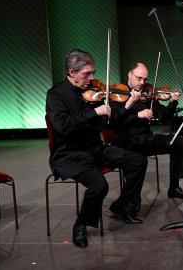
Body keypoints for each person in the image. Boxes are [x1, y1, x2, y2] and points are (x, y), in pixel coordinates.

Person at [46, 49, 148, 248]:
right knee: (99, 185)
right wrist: (93, 113)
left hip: (94, 149)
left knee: (138, 161)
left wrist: (123, 107)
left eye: (92, 73)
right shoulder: (56, 95)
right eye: (87, 74)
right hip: (70, 154)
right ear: (71, 72)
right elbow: (63, 126)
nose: (91, 78)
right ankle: (81, 225)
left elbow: (108, 124)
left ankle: (120, 205)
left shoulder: (92, 92)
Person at [109, 62, 183, 216]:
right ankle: (131, 201)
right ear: (130, 75)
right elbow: (114, 122)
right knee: (137, 157)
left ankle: (174, 187)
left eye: (145, 79)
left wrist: (173, 102)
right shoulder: (117, 93)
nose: (142, 83)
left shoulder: (149, 94)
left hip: (145, 139)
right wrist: (137, 115)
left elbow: (163, 118)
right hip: (125, 140)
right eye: (139, 78)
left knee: (178, 141)